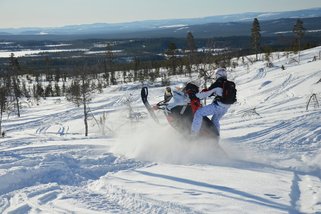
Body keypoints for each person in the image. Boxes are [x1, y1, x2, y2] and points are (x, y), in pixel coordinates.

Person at [190, 68, 232, 137]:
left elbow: (205, 93)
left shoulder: (218, 83)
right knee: (215, 120)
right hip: (226, 108)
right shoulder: (228, 83)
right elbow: (221, 93)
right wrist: (214, 93)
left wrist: (195, 95)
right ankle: (216, 138)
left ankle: (193, 135)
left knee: (199, 113)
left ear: (218, 75)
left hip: (218, 106)